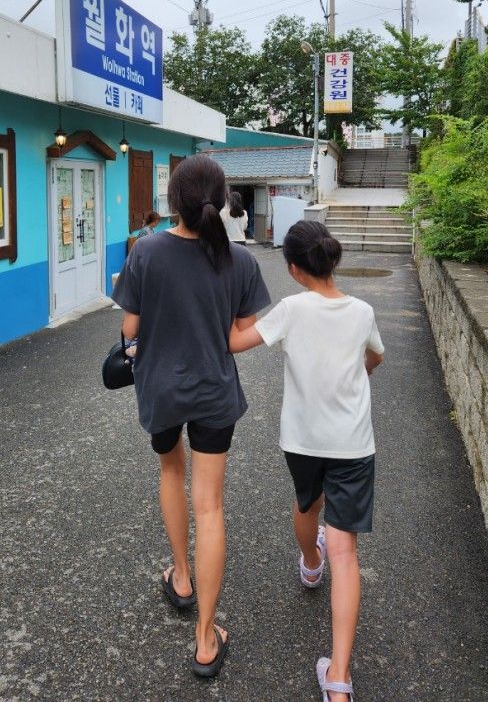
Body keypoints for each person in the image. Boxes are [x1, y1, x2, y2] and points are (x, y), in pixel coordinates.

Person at [112, 155, 271, 678]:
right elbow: (236, 338)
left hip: (160, 387)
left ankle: (180, 577)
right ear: (222, 201)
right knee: (211, 507)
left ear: (172, 201)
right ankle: (206, 639)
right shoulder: (240, 261)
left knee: (170, 472)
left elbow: (130, 329)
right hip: (213, 393)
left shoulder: (146, 251)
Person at [229, 221, 384, 702]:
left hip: (302, 440)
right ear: (332, 260)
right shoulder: (361, 311)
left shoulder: (292, 309)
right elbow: (376, 356)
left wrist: (230, 306)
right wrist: (358, 373)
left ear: (294, 269)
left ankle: (310, 564)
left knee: (306, 507)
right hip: (352, 442)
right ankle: (338, 677)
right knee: (348, 551)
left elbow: (237, 342)